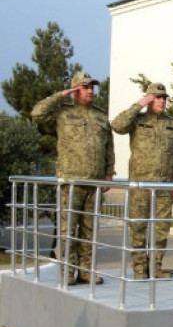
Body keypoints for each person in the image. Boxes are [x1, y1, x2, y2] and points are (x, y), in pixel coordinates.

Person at [31, 71, 115, 285]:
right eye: (85, 87)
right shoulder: (63, 112)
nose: (90, 91)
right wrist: (62, 95)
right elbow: (37, 114)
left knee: (90, 231)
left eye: (92, 88)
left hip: (94, 183)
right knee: (69, 230)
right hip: (72, 181)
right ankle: (68, 273)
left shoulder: (99, 114)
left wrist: (108, 173)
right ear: (76, 89)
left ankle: (86, 271)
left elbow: (108, 146)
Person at [111, 82, 173, 280]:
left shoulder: (172, 122)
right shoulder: (137, 120)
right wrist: (138, 105)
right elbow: (117, 125)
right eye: (157, 97)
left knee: (161, 229)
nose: (162, 101)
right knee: (138, 227)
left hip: (164, 185)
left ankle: (156, 267)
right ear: (149, 99)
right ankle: (140, 269)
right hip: (141, 184)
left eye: (164, 98)